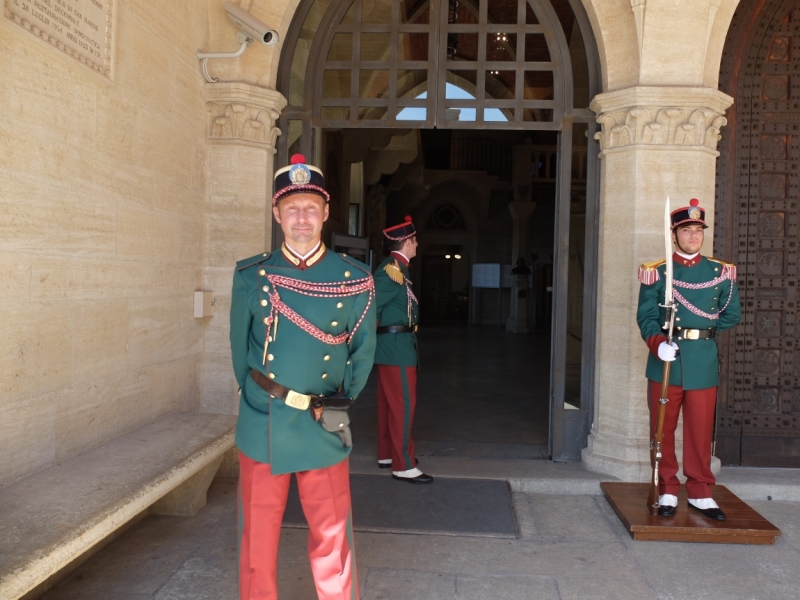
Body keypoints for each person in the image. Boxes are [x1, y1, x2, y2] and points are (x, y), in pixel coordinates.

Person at [230, 153, 376, 599]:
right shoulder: (252, 276)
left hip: (320, 422)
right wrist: (260, 399)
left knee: (333, 541)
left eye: (311, 207)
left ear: (326, 213)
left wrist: (333, 404)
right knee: (256, 541)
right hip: (263, 419)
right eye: (291, 208)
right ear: (276, 214)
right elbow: (241, 354)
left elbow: (362, 356)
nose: (301, 218)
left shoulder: (354, 279)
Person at [637, 198, 741, 520]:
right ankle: (668, 488)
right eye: (687, 230)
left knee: (699, 431)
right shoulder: (658, 273)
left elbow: (730, 315)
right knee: (662, 430)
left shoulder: (721, 272)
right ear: (675, 234)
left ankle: (699, 492)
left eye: (698, 230)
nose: (694, 236)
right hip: (665, 361)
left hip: (702, 362)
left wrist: (698, 334)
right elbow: (646, 316)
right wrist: (658, 344)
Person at [373, 216, 433, 484]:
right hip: (395, 348)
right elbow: (370, 306)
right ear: (407, 242)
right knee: (403, 405)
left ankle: (388, 454)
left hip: (393, 346)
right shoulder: (392, 269)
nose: (418, 243)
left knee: (389, 404)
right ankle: (404, 464)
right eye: (415, 239)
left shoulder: (399, 269)